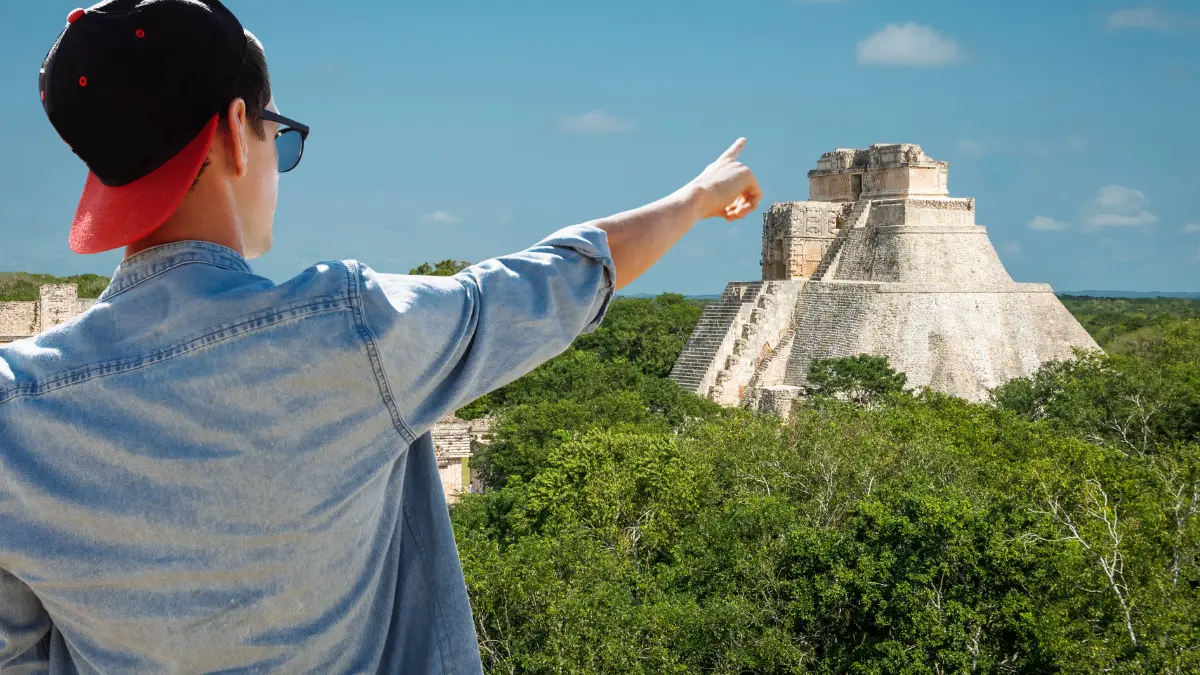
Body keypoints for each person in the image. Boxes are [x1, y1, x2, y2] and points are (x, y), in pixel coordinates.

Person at [0, 1, 762, 673]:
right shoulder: (346, 330)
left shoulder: (14, 417)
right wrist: (695, 200)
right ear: (236, 130)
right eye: (280, 136)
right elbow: (552, 283)